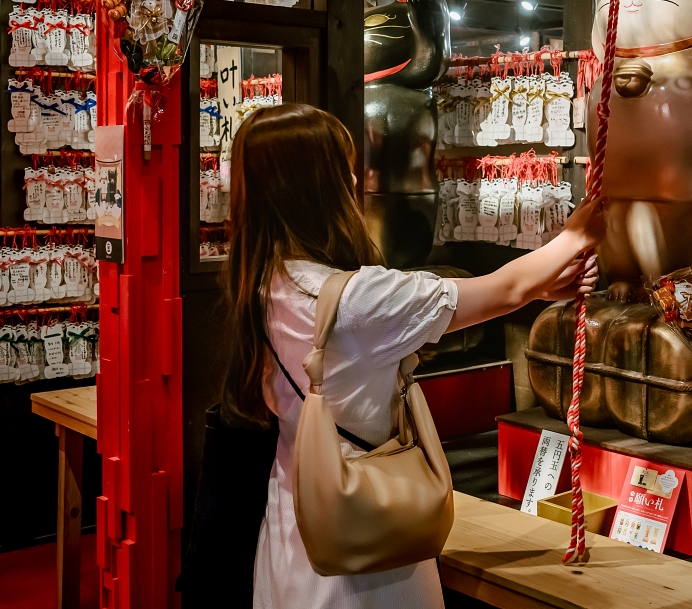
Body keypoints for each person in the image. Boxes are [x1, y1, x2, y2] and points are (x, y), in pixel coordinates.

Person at [222, 104, 605, 609]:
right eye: (345, 166)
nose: (356, 178)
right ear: (318, 186)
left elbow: (512, 288)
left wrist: (540, 284)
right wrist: (581, 230)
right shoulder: (353, 301)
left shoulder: (265, 280)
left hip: (295, 525)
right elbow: (502, 289)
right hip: (364, 533)